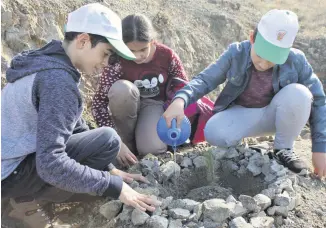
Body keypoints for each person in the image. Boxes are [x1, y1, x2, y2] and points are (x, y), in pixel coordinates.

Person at [1, 3, 160, 228]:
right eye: (105, 54)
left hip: (14, 161)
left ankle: (28, 196)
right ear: (84, 41)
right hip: (8, 175)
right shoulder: (57, 81)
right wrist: (114, 186)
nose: (105, 64)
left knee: (105, 147)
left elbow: (74, 128)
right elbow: (50, 163)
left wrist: (109, 170)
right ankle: (20, 204)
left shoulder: (51, 64)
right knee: (107, 148)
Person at [163, 9, 326, 177]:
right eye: (261, 55)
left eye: (273, 59)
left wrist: (320, 148)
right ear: (252, 38)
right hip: (243, 115)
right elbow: (205, 80)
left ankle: (282, 149)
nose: (264, 64)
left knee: (300, 94)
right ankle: (241, 150)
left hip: (278, 115)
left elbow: (319, 100)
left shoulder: (296, 60)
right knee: (213, 131)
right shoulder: (236, 53)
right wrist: (180, 100)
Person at [92, 13, 214, 167]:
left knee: (152, 149)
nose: (138, 56)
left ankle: (141, 143)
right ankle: (126, 143)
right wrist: (114, 139)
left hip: (154, 106)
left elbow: (183, 89)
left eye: (143, 49)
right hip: (125, 108)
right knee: (121, 90)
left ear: (152, 40)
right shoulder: (116, 60)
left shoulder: (167, 56)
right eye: (131, 51)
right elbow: (99, 104)